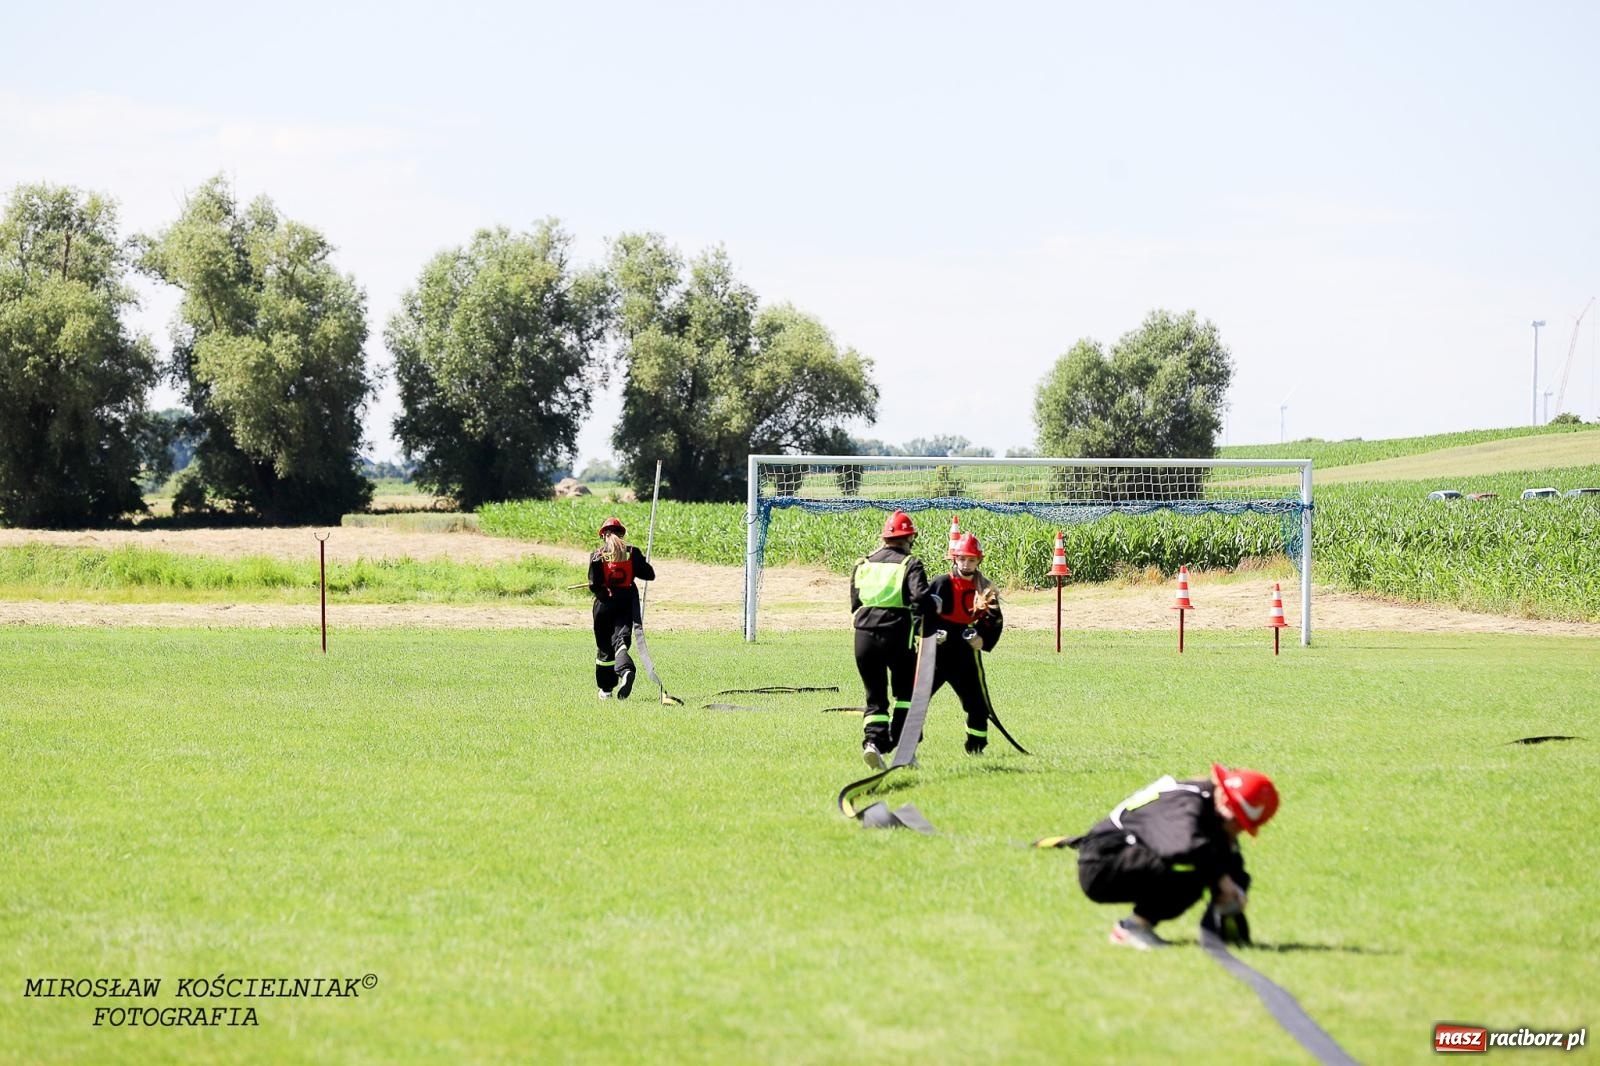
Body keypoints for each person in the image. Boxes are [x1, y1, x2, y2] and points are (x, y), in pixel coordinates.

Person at [1057, 764, 1279, 949]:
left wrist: (1235, 895)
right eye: (1236, 822)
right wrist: (1221, 880)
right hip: (1102, 864)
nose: (1237, 830)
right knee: (1196, 869)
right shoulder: (1186, 802)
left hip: (1129, 854)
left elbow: (1230, 860)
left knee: (1209, 864)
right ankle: (1132, 929)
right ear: (1225, 803)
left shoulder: (1212, 807)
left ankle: (1136, 927)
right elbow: (1183, 848)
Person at [850, 510, 940, 769]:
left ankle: (873, 745)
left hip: (864, 638)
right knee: (905, 695)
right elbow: (921, 599)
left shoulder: (863, 563)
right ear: (909, 538)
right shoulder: (910, 563)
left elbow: (855, 602)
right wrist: (934, 606)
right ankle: (906, 750)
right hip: (897, 636)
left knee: (875, 698)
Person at [926, 532, 1004, 754]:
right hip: (937, 653)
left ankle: (976, 748)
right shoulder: (940, 583)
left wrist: (982, 639)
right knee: (917, 698)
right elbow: (922, 613)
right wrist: (930, 633)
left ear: (979, 560)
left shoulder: (986, 588)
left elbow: (995, 620)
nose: (966, 564)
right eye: (962, 559)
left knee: (977, 705)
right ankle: (907, 742)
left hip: (965, 653)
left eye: (971, 559)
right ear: (954, 559)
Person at [587, 516, 656, 701]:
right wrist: (641, 563)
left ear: (603, 536)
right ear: (622, 534)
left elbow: (594, 585)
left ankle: (606, 690)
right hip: (625, 604)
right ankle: (625, 671)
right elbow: (649, 575)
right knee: (621, 642)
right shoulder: (632, 553)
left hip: (603, 607)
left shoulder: (597, 555)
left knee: (604, 649)